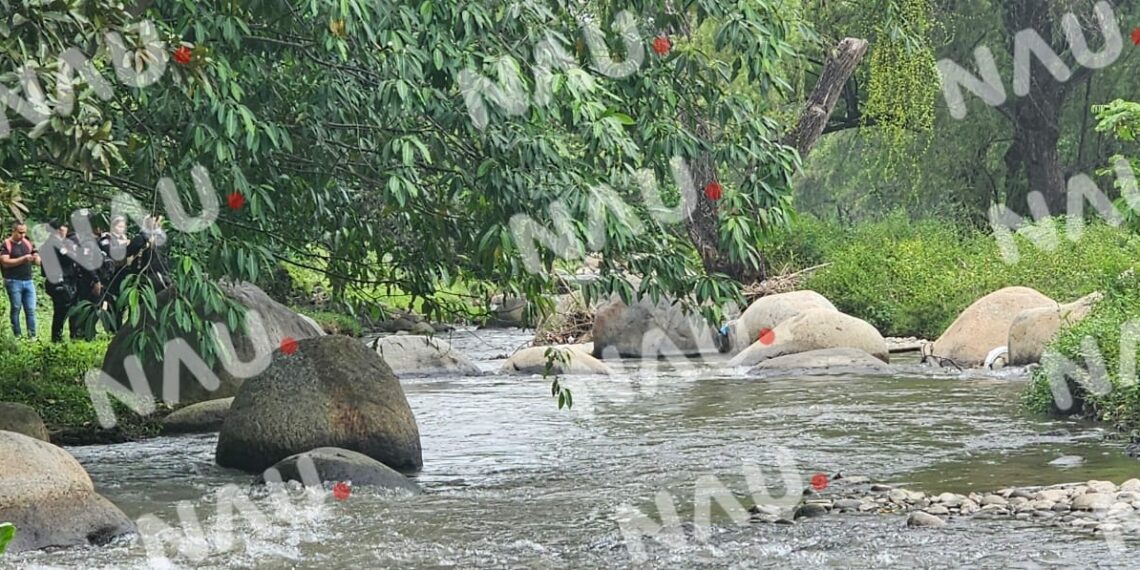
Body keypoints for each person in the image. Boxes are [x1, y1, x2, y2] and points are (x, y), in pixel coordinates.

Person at [40, 221, 81, 342]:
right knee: (63, 311)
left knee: (64, 310)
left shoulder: (48, 244)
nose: (66, 230)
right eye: (64, 227)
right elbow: (69, 258)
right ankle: (60, 338)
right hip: (61, 281)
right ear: (58, 230)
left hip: (58, 281)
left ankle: (62, 337)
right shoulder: (56, 244)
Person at [0, 222, 40, 338]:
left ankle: (32, 336)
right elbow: (5, 262)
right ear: (13, 231)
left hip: (28, 281)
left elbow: (34, 253)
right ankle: (18, 335)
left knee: (31, 309)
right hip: (13, 281)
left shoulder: (27, 242)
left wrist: (37, 258)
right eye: (20, 232)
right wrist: (23, 259)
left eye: (24, 232)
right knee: (16, 308)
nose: (23, 235)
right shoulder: (7, 244)